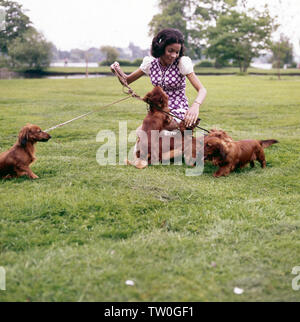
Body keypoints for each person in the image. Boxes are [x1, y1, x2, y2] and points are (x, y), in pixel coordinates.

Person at [115, 28, 207, 128]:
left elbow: (202, 90)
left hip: (178, 109)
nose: (173, 55)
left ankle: (185, 129)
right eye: (170, 51)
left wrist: (195, 106)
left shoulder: (182, 63)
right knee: (144, 135)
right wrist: (116, 71)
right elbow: (127, 81)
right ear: (161, 48)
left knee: (159, 129)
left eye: (177, 52)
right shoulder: (150, 63)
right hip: (158, 110)